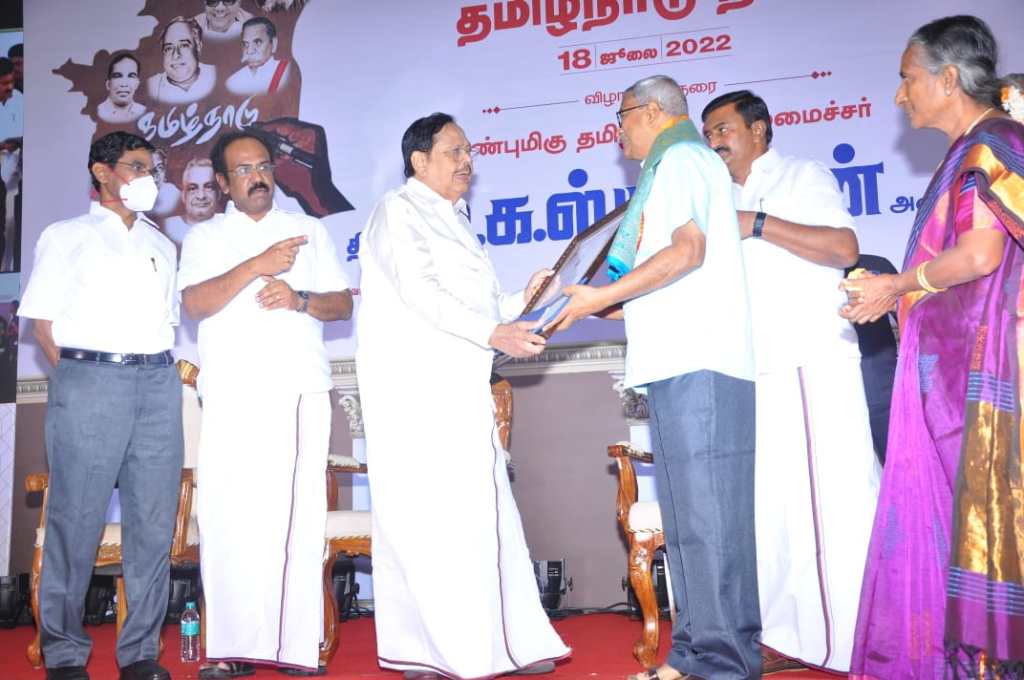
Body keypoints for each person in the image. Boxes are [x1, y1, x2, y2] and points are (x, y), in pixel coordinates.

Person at [550, 75, 760, 680]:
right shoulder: (670, 167)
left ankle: (723, 662)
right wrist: (584, 303)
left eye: (619, 118)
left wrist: (598, 297)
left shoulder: (683, 160)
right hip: (679, 364)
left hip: (701, 363)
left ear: (649, 112)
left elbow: (687, 251)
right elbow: (659, 275)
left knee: (710, 522)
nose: (616, 133)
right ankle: (696, 654)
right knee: (692, 524)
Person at [841, 15, 1024, 678]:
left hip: (991, 371)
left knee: (991, 522)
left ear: (948, 79)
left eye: (907, 78)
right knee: (964, 525)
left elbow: (978, 256)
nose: (900, 95)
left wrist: (896, 284)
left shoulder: (992, 145)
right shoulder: (970, 150)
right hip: (957, 372)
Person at [357, 112, 570, 678]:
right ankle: (437, 652)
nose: (467, 161)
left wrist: (523, 298)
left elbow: (478, 306)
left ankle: (499, 645)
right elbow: (421, 293)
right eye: (454, 151)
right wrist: (495, 331)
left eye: (469, 151)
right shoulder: (398, 211)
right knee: (432, 523)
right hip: (416, 393)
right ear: (419, 160)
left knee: (479, 517)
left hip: (459, 387)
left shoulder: (454, 218)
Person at [700, 89, 880, 674]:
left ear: (759, 129)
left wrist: (756, 224)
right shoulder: (716, 198)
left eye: (723, 129)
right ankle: (790, 636)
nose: (714, 141)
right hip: (753, 370)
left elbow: (844, 248)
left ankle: (850, 640)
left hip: (809, 361)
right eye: (707, 134)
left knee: (829, 506)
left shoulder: (801, 175)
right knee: (774, 513)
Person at [178, 130, 352, 678]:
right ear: (223, 183)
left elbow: (342, 304)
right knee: (228, 518)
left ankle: (295, 647)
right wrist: (257, 264)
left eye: (263, 167)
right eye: (244, 170)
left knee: (296, 519)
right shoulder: (204, 237)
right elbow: (195, 303)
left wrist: (300, 299)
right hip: (231, 394)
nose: (257, 177)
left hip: (297, 390)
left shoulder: (309, 230)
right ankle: (229, 649)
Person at [18, 131, 182, 680]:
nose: (147, 177)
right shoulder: (66, 236)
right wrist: (80, 380)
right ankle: (65, 654)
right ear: (103, 172)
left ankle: (140, 653)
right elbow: (43, 325)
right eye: (136, 166)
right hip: (90, 378)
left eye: (151, 168)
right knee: (76, 519)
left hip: (157, 381)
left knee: (153, 522)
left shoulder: (162, 244)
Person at [146, 17, 216, 105]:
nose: (176, 55)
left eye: (184, 45)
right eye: (169, 48)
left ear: (198, 47)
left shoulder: (216, 75)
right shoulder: (151, 86)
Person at [226, 17, 291, 96]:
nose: (249, 51)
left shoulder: (287, 72)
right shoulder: (234, 80)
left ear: (274, 43)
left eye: (258, 42)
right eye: (246, 44)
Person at [164, 158, 220, 245]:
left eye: (209, 187)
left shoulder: (231, 227)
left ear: (218, 194)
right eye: (193, 188)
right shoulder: (165, 228)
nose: (201, 196)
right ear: (183, 196)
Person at [97, 52, 146, 124]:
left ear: (137, 84)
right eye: (118, 76)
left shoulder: (143, 111)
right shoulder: (98, 111)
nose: (124, 84)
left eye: (131, 76)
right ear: (108, 84)